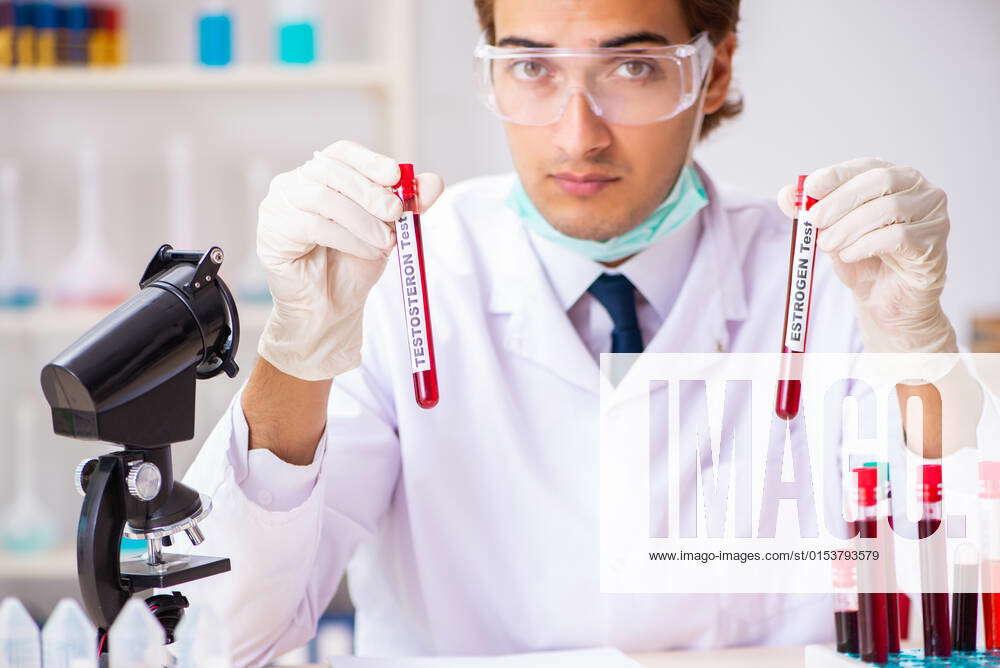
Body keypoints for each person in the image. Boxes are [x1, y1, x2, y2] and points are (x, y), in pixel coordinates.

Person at [178, 0, 957, 665]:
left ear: (713, 71)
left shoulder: (829, 282)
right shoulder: (397, 277)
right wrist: (299, 348)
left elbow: (954, 608)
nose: (577, 135)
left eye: (633, 67)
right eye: (532, 67)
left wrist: (922, 352)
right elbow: (224, 640)